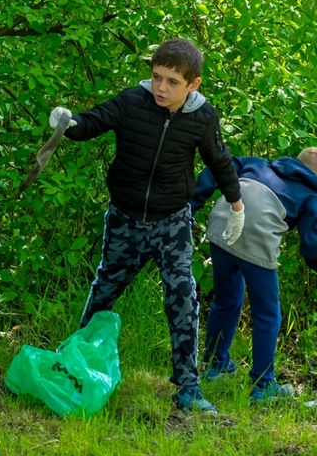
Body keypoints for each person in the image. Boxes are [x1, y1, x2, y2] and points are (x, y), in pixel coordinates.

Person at [50, 38, 245, 413]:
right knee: (105, 289)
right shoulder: (131, 101)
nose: (160, 87)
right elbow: (92, 122)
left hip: (171, 221)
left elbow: (220, 161)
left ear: (193, 85)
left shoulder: (203, 118)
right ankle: (74, 364)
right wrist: (67, 122)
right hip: (124, 217)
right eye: (156, 77)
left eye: (172, 81)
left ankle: (188, 387)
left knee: (182, 296)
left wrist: (236, 206)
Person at [190, 148, 317, 403]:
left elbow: (218, 167)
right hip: (257, 238)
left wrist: (191, 205)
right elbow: (312, 250)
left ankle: (214, 365)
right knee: (267, 315)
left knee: (226, 299)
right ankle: (263, 386)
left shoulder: (256, 164)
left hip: (222, 225)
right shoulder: (310, 197)